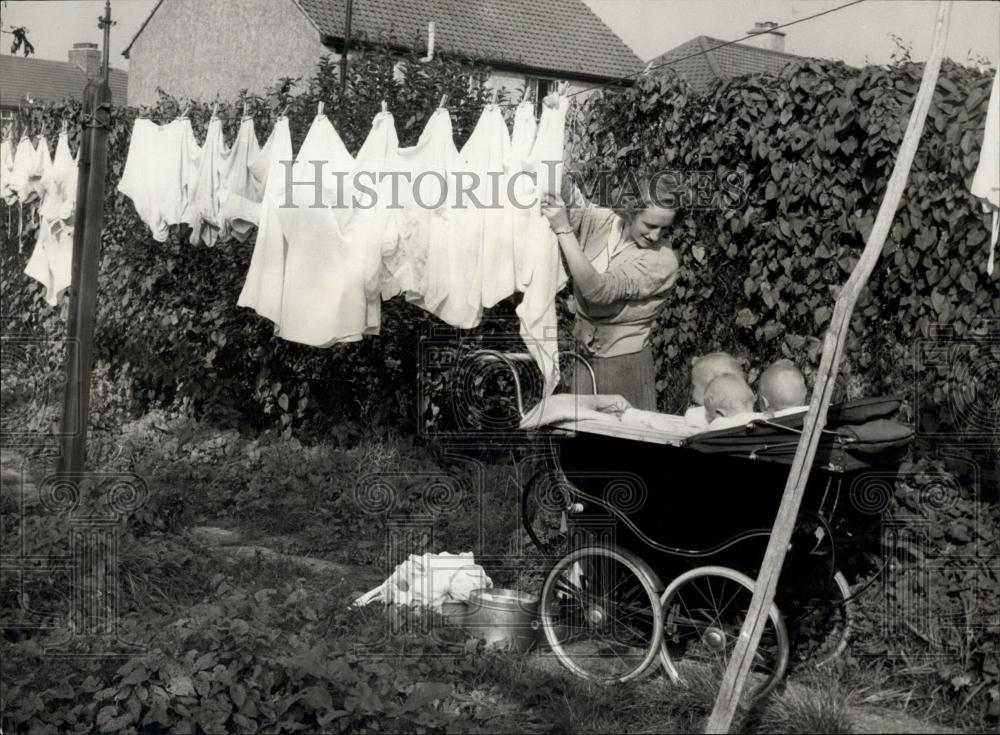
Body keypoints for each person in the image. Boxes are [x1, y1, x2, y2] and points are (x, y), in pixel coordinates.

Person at [538, 164, 680, 411]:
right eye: (649, 225)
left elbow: (598, 291)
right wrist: (555, 163)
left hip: (624, 369)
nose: (656, 236)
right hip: (585, 360)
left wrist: (563, 229)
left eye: (664, 229)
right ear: (631, 211)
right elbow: (573, 200)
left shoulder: (661, 260)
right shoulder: (607, 224)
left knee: (621, 447)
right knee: (584, 442)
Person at [684, 351, 745, 429]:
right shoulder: (747, 420)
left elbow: (692, 418)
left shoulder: (696, 416)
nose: (692, 391)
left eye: (694, 385)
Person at [702, 374, 767, 430]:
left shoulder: (718, 426)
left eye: (712, 418)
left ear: (720, 413)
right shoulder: (766, 420)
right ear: (753, 400)